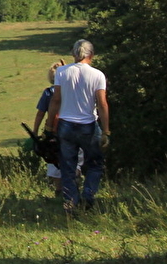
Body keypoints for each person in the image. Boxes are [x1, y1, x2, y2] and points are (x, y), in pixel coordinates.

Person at [46, 39, 109, 213]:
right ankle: (88, 195)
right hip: (88, 125)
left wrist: (50, 126)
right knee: (95, 164)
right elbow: (102, 104)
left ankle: (71, 202)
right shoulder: (97, 75)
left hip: (66, 125)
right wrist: (106, 130)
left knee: (68, 166)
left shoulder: (62, 72)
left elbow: (56, 100)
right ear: (92, 55)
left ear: (74, 54)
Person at [33, 59, 67, 194]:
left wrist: (35, 132)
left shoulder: (48, 93)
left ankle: (59, 190)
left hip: (53, 129)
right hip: (73, 127)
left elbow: (40, 114)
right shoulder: (71, 90)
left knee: (54, 158)